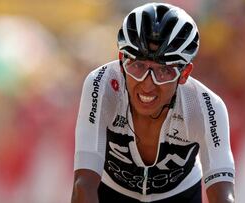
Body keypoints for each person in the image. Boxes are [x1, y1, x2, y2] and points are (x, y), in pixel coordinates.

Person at [71, 2, 235, 203]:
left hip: (178, 195)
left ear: (184, 74)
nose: (147, 85)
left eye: (164, 71)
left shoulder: (206, 106)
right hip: (112, 192)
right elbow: (83, 185)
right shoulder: (102, 84)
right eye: (138, 66)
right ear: (122, 60)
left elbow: (224, 197)